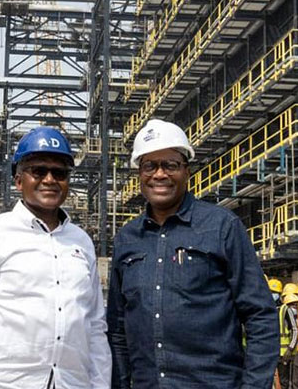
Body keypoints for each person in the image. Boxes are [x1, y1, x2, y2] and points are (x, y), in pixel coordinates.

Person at [106, 119, 276, 388]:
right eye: (149, 165)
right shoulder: (128, 239)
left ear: (186, 170)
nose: (159, 174)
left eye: (170, 165)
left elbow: (260, 315)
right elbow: (117, 328)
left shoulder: (221, 227)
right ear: (139, 173)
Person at [0, 126, 110, 389]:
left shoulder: (81, 242)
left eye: (59, 172)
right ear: (18, 180)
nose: (49, 179)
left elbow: (94, 326)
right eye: (38, 171)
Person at [278, 292, 298, 389]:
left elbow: (295, 331)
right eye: (293, 304)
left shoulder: (283, 311)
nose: (295, 307)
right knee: (285, 381)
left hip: (286, 353)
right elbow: (295, 331)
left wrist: (290, 349)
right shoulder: (285, 311)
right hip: (282, 353)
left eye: (296, 305)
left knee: (286, 382)